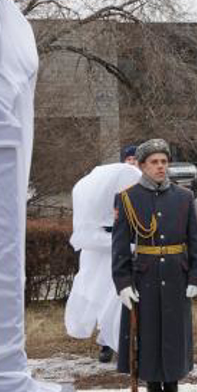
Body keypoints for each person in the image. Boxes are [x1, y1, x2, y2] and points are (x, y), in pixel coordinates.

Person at [112, 138, 197, 392]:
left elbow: (195, 242)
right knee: (148, 332)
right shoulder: (127, 198)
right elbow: (119, 246)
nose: (160, 167)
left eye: (164, 161)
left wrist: (196, 278)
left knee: (175, 333)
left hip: (177, 274)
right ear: (141, 166)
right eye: (154, 162)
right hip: (145, 275)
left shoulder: (184, 197)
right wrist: (123, 283)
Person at [65, 146, 140, 365]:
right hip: (104, 253)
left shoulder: (138, 186)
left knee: (120, 299)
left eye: (136, 159)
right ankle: (106, 343)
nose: (133, 163)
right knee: (102, 296)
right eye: (129, 158)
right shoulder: (106, 186)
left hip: (123, 251)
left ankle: (122, 341)